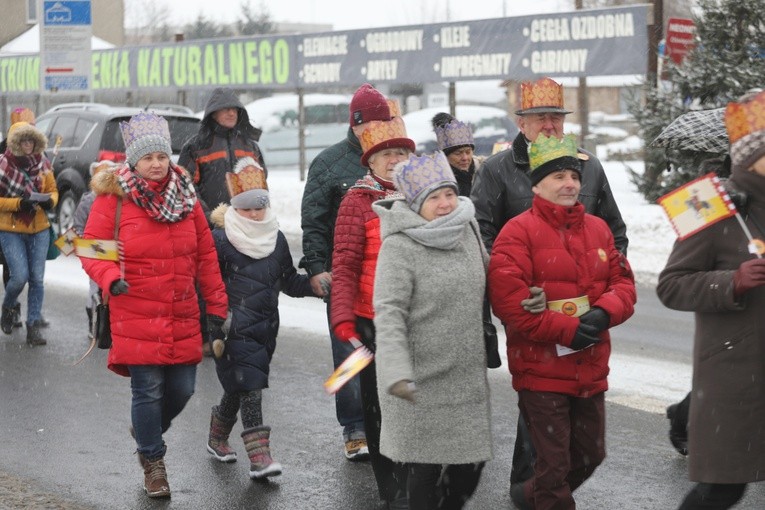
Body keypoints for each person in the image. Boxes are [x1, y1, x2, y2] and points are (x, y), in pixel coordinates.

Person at [469, 76, 629, 501]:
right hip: (532, 305)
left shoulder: (588, 165)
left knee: (577, 437)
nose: (549, 126)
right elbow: (480, 233)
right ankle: (535, 487)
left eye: (556, 118)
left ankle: (535, 488)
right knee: (542, 405)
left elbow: (613, 231)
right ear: (521, 123)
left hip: (588, 314)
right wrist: (510, 285)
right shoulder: (497, 168)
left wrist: (606, 291)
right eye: (540, 118)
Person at [79, 112, 228, 498]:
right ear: (134, 160)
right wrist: (111, 279)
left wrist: (217, 305)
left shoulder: (187, 197)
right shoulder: (113, 198)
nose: (157, 164)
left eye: (162, 156)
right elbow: (91, 248)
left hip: (181, 312)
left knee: (183, 389)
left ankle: (146, 430)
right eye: (148, 158)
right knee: (147, 390)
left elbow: (207, 256)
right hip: (136, 309)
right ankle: (153, 462)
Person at [656, 89, 765, 510]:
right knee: (723, 487)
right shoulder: (707, 206)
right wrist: (732, 282)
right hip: (735, 373)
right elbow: (671, 285)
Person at [372, 151, 492, 509]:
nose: (445, 204)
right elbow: (389, 312)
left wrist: (525, 299)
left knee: (469, 468)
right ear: (414, 203)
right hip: (416, 378)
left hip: (464, 375)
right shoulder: (399, 246)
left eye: (449, 194)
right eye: (433, 198)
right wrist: (394, 368)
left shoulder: (466, 228)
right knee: (422, 474)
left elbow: (491, 279)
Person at [206, 157, 317, 480]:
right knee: (250, 387)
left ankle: (216, 437)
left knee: (239, 388)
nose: (254, 214)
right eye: (246, 208)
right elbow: (206, 286)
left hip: (265, 329)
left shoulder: (276, 239)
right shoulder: (221, 240)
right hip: (229, 329)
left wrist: (317, 285)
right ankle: (260, 457)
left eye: (259, 207)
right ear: (234, 209)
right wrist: (216, 324)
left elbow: (289, 282)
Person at [300, 83, 393, 460]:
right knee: (349, 356)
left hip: (391, 282)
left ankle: (389, 424)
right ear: (354, 125)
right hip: (346, 278)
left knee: (391, 357)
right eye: (368, 124)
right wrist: (317, 268)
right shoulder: (328, 163)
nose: (374, 131)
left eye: (382, 122)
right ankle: (354, 428)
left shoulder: (397, 159)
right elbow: (314, 222)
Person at [330, 115, 414, 508]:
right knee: (379, 408)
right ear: (371, 161)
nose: (395, 160)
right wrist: (344, 318)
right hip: (372, 320)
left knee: (416, 402)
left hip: (418, 318)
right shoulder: (357, 200)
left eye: (401, 152)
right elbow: (345, 264)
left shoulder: (425, 195)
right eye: (387, 154)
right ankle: (392, 489)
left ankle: (418, 480)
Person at [178, 86, 266, 356]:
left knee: (246, 282)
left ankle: (243, 333)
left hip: (246, 225)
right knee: (209, 282)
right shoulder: (196, 146)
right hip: (210, 227)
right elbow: (185, 187)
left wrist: (256, 214)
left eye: (234, 109)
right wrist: (211, 216)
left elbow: (262, 185)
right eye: (225, 108)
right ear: (212, 113)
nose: (230, 113)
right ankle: (209, 336)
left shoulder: (250, 146)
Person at [0, 121, 58, 345]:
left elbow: (53, 190)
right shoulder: (4, 164)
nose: (28, 144)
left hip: (39, 228)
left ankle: (33, 326)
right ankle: (8, 306)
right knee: (19, 276)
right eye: (24, 140)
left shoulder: (43, 163)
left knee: (37, 279)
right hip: (11, 228)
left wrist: (50, 202)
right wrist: (18, 204)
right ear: (15, 142)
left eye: (31, 140)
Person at [72, 160, 119, 338]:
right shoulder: (89, 200)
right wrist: (91, 245)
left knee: (108, 288)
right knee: (95, 288)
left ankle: (105, 323)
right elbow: (79, 226)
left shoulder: (118, 200)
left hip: (114, 251)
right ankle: (94, 323)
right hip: (95, 251)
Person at [431, 112, 482, 197]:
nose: (465, 158)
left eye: (468, 152)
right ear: (445, 157)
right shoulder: (436, 178)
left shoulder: (483, 170)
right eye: (458, 153)